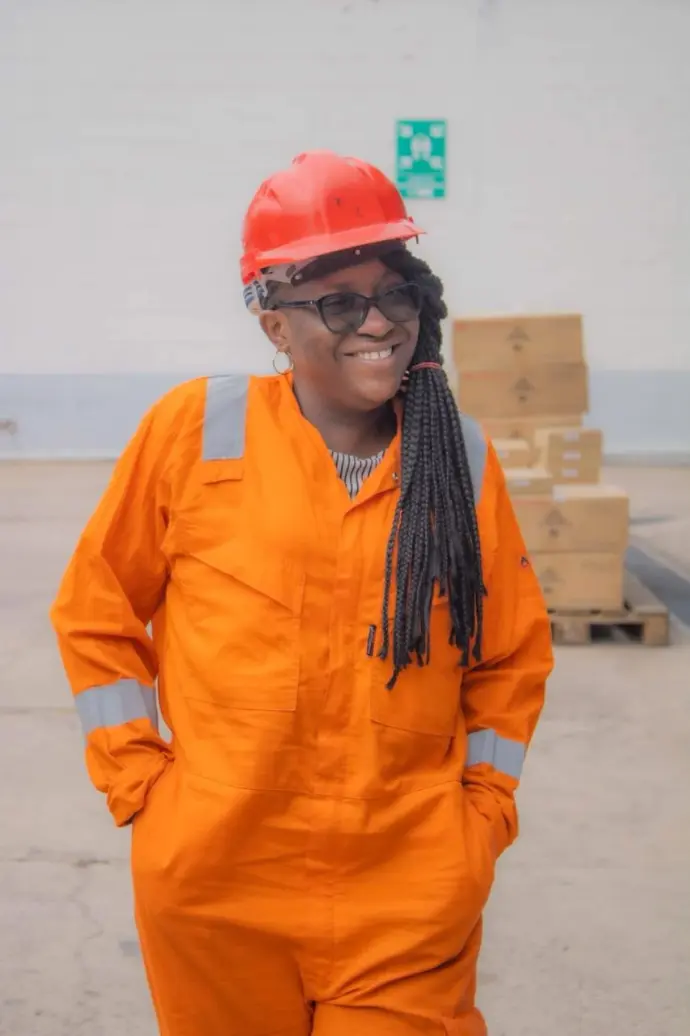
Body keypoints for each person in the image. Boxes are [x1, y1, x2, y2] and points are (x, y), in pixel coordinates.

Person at [51, 150, 553, 1036]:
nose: (378, 321)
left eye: (395, 293)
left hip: (409, 892)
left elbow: (509, 658)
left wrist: (481, 816)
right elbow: (97, 612)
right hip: (216, 889)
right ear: (274, 325)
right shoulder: (195, 432)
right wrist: (139, 784)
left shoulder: (458, 461)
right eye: (338, 302)